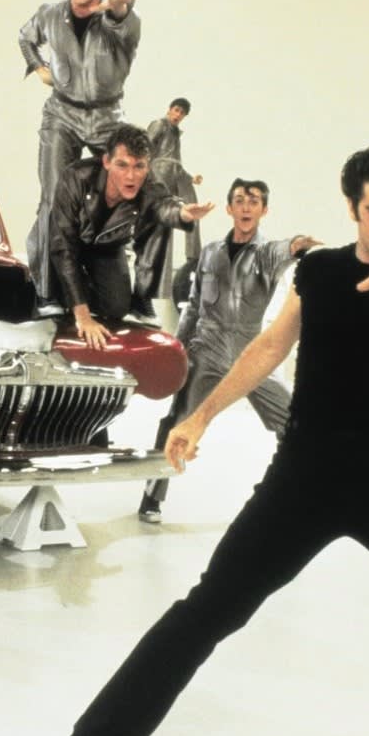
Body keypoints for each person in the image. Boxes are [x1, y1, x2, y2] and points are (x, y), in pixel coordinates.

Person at [51, 146, 369, 736]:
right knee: (207, 612)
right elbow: (269, 346)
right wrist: (201, 415)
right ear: (352, 209)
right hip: (304, 476)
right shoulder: (318, 272)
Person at [137, 178, 318, 523]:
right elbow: (193, 307)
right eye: (239, 200)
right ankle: (152, 497)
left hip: (250, 354)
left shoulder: (266, 253)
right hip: (206, 349)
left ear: (264, 210)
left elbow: (288, 248)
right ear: (229, 208)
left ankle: (300, 493)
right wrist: (178, 348)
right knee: (178, 421)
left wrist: (300, 245)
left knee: (295, 421)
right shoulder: (210, 253)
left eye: (254, 201)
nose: (246, 207)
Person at [19, 0, 142, 316]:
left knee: (125, 193)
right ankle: (47, 292)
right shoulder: (50, 15)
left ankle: (130, 290)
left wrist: (119, 11)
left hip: (107, 117)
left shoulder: (122, 20)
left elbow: (125, 28)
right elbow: (25, 37)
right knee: (52, 198)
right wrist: (39, 68)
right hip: (63, 114)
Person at [48, 124, 214, 351]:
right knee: (54, 290)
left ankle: (141, 300)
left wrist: (182, 213)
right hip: (69, 243)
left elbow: (162, 204)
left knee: (116, 308)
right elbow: (62, 245)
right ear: (107, 161)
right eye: (122, 165)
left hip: (107, 247)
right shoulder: (76, 177)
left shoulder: (149, 184)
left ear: (147, 166)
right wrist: (83, 316)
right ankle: (68, 299)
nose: (131, 176)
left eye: (139, 167)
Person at [131, 98, 201, 318]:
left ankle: (193, 257)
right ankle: (141, 295)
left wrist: (191, 178)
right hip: (156, 180)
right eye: (176, 110)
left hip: (172, 181)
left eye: (182, 113)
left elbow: (176, 162)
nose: (178, 115)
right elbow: (143, 150)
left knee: (189, 215)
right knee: (155, 235)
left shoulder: (175, 134)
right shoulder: (160, 125)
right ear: (170, 109)